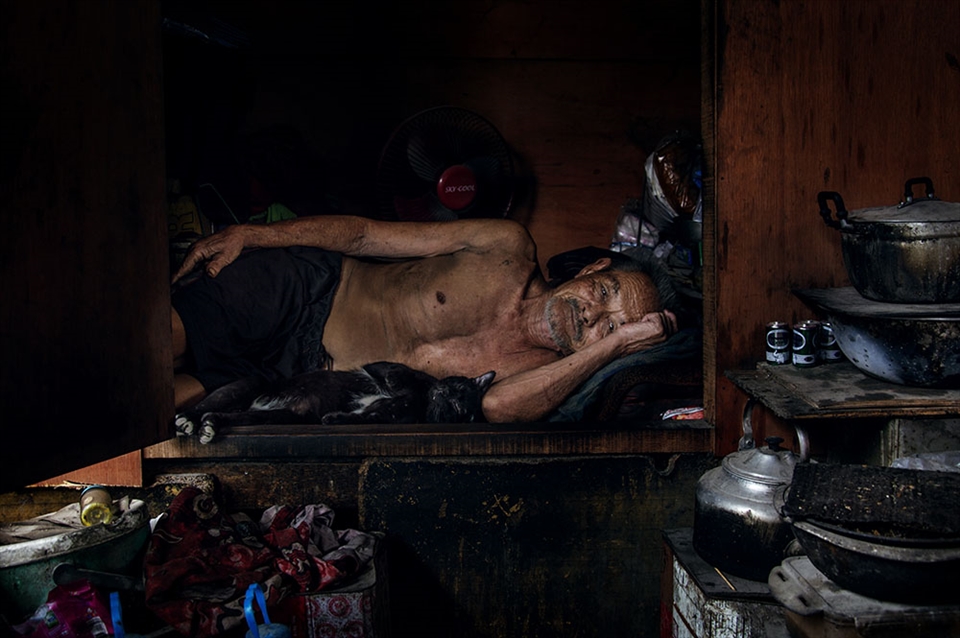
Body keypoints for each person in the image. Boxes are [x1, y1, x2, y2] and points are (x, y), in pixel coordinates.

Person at [171, 215, 678, 423]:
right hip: (307, 290)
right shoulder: (506, 246)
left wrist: (615, 345)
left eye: (610, 327)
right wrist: (254, 235)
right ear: (591, 269)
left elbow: (496, 406)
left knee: (162, 407)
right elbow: (366, 236)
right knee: (161, 344)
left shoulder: (536, 377)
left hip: (296, 377)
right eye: (603, 292)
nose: (591, 313)